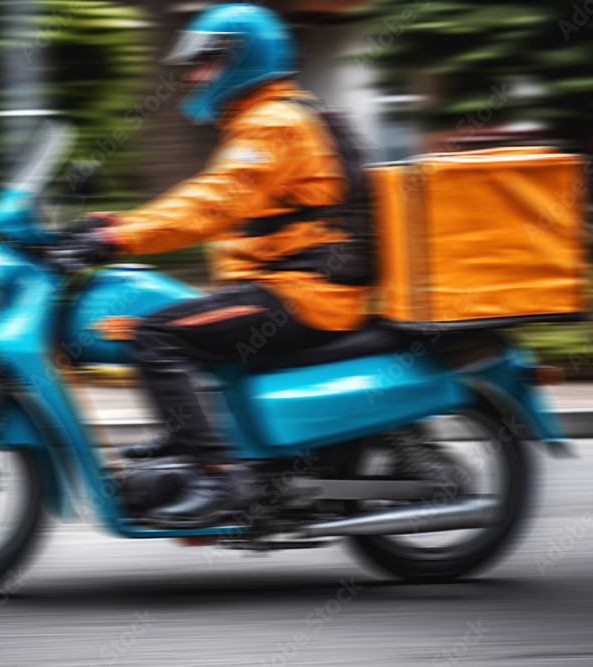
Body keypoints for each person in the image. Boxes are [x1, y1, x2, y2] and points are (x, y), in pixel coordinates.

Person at [72, 3, 372, 528]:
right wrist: (113, 223)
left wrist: (117, 236)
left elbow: (213, 204)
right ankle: (191, 440)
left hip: (302, 296)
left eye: (208, 61)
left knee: (159, 334)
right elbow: (216, 200)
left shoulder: (274, 123)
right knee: (177, 315)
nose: (195, 74)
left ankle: (216, 475)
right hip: (284, 287)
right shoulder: (266, 117)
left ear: (244, 58)